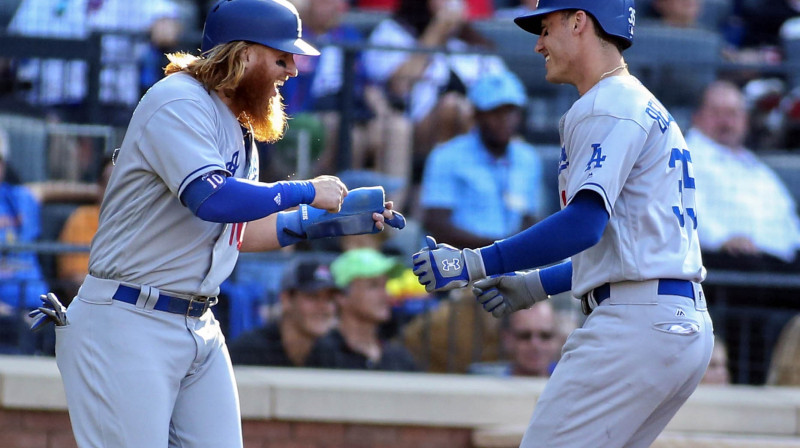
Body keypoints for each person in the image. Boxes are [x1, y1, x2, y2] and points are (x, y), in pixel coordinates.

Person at [48, 1, 404, 447]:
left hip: (198, 322)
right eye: (282, 57)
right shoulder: (177, 99)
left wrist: (329, 221)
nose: (292, 69)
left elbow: (239, 231)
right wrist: (305, 190)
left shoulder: (238, 127)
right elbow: (212, 198)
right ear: (244, 54)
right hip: (128, 319)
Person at [410, 1, 715, 447]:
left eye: (546, 28)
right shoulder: (637, 101)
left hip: (635, 325)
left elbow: (583, 226)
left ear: (579, 22)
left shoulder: (607, 104)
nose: (537, 44)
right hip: (676, 324)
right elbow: (624, 248)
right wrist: (536, 285)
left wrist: (476, 263)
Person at [279, 0, 414, 208]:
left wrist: (381, 115)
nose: (335, 7)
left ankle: (391, 216)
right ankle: (335, 211)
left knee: (398, 127)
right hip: (312, 113)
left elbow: (367, 85)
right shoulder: (291, 36)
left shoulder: (349, 36)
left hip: (352, 109)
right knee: (351, 135)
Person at [363, 0, 508, 169]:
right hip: (410, 127)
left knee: (482, 114)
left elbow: (504, 88)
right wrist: (436, 31)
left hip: (472, 121)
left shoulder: (472, 41)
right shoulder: (393, 32)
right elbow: (399, 87)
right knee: (452, 105)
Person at [419, 69, 545, 248]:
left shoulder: (528, 158)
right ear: (476, 114)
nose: (504, 120)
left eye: (510, 111)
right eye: (495, 112)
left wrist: (505, 255)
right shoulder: (446, 155)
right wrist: (494, 253)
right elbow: (437, 225)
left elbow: (529, 218)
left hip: (513, 263)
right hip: (459, 263)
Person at [686, 80, 800, 272]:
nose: (726, 122)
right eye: (716, 113)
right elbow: (686, 210)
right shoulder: (687, 156)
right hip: (724, 260)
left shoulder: (754, 165)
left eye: (733, 114)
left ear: (745, 120)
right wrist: (720, 240)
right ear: (697, 117)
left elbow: (786, 214)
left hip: (777, 261)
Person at [307, 247, 418, 371]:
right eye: (373, 286)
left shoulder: (398, 357)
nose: (386, 295)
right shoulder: (322, 352)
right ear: (341, 296)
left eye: (385, 285)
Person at [227, 255, 338, 367]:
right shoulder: (249, 350)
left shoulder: (331, 353)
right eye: (313, 297)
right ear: (286, 299)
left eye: (329, 299)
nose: (323, 307)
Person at [55, 155, 114, 300]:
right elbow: (76, 280)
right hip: (94, 305)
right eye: (110, 183)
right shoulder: (82, 217)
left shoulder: (144, 221)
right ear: (99, 187)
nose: (118, 190)